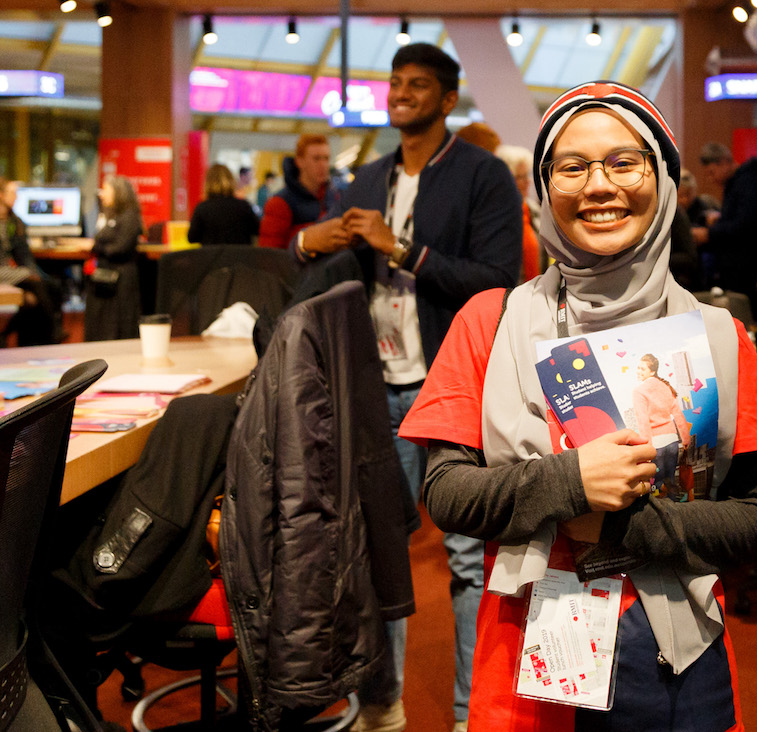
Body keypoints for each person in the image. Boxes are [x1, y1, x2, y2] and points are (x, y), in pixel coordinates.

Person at [401, 81, 757, 730]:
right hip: (532, 651)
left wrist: (617, 527)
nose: (599, 186)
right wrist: (570, 481)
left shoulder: (719, 336)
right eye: (572, 167)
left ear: (663, 179)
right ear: (544, 188)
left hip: (677, 660)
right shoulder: (491, 322)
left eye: (625, 162)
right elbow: (447, 494)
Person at [297, 43, 521, 732]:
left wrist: (403, 250)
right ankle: (382, 706)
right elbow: (326, 273)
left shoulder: (483, 174)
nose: (400, 93)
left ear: (448, 99)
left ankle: (470, 714)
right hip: (373, 386)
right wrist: (311, 241)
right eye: (395, 82)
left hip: (453, 386)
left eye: (417, 84)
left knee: (468, 557)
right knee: (375, 556)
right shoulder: (366, 178)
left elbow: (498, 281)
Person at [693, 141, 757, 315]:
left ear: (723, 162)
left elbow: (746, 226)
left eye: (711, 172)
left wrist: (709, 234)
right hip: (740, 267)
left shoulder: (748, 182)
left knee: (743, 317)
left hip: (745, 269)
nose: (710, 179)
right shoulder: (739, 183)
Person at [0, 177, 62, 345]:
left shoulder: (15, 222)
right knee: (38, 286)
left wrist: (33, 272)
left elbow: (23, 254)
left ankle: (9, 335)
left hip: (10, 272)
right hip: (3, 272)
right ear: (1, 195)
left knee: (38, 296)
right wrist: (30, 273)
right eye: (13, 193)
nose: (17, 197)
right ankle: (54, 331)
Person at [85, 175, 143, 341]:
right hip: (105, 278)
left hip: (121, 279)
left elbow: (120, 248)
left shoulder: (130, 217)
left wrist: (95, 247)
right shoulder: (111, 216)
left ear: (118, 193)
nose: (101, 194)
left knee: (119, 326)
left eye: (106, 190)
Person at [259, 134, 341, 249]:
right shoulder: (279, 203)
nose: (323, 165)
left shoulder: (335, 197)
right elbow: (269, 253)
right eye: (316, 159)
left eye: (326, 158)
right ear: (300, 161)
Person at [632, 353, 692, 499]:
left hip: (656, 445)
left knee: (657, 483)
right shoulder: (665, 387)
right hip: (672, 442)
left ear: (652, 371)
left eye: (642, 369)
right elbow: (678, 414)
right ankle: (674, 505)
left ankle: (662, 508)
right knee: (670, 480)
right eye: (638, 368)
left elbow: (643, 422)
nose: (638, 371)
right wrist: (685, 439)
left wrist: (646, 450)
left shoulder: (639, 391)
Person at [496, 144, 544, 282]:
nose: (528, 182)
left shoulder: (533, 210)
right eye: (521, 177)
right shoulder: (494, 215)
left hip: (538, 289)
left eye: (527, 175)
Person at [187, 164, 260, 245]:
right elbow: (257, 230)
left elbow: (192, 238)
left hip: (211, 252)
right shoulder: (243, 206)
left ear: (207, 183)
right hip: (240, 252)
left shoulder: (202, 208)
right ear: (231, 181)